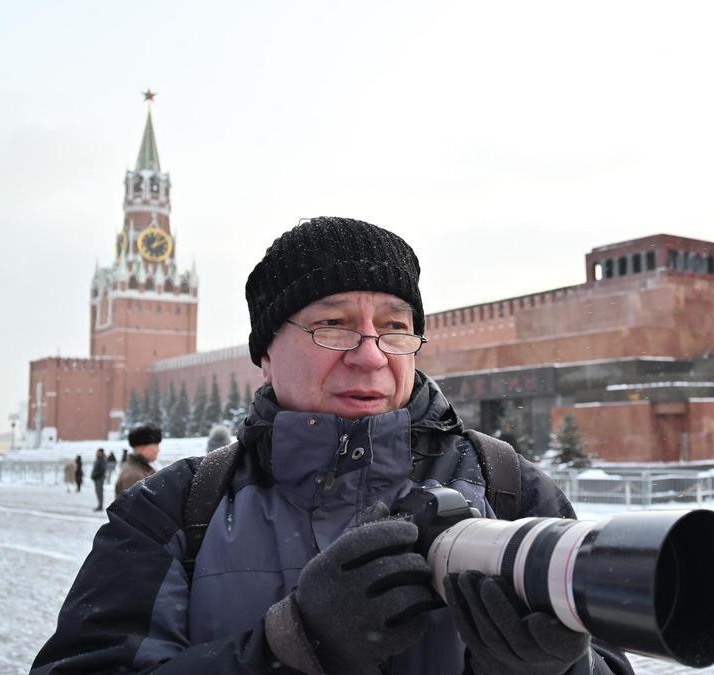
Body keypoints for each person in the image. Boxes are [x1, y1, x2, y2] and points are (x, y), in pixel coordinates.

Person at [34, 217, 631, 675]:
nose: (370, 353)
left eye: (394, 326)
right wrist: (286, 646)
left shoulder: (511, 487)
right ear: (265, 353)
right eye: (334, 324)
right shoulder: (174, 510)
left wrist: (560, 669)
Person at [115, 425, 162, 497]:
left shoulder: (142, 469)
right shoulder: (133, 475)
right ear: (142, 448)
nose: (158, 450)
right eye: (155, 445)